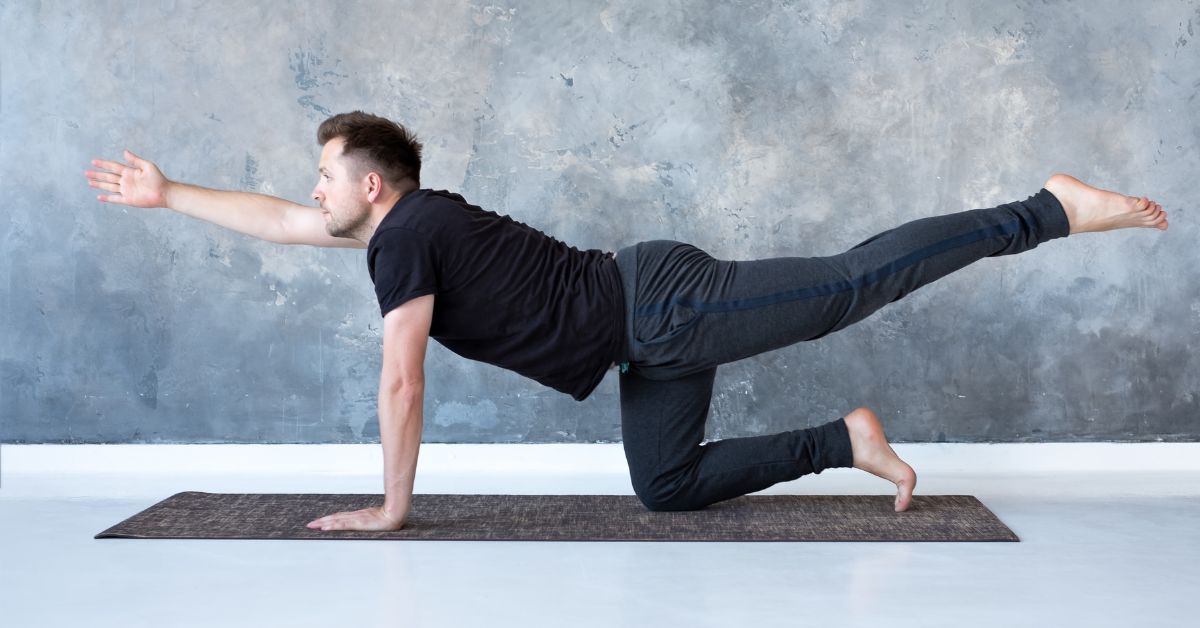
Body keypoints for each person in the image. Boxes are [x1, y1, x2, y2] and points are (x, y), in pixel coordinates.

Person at [84, 110, 1169, 531]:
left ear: (373, 186)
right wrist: (171, 193)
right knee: (666, 485)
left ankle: (1046, 209)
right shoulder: (401, 228)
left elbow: (402, 380)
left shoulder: (406, 234)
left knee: (846, 285)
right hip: (640, 339)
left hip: (662, 304)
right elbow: (278, 223)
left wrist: (390, 507)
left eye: (325, 174)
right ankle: (846, 442)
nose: (310, 190)